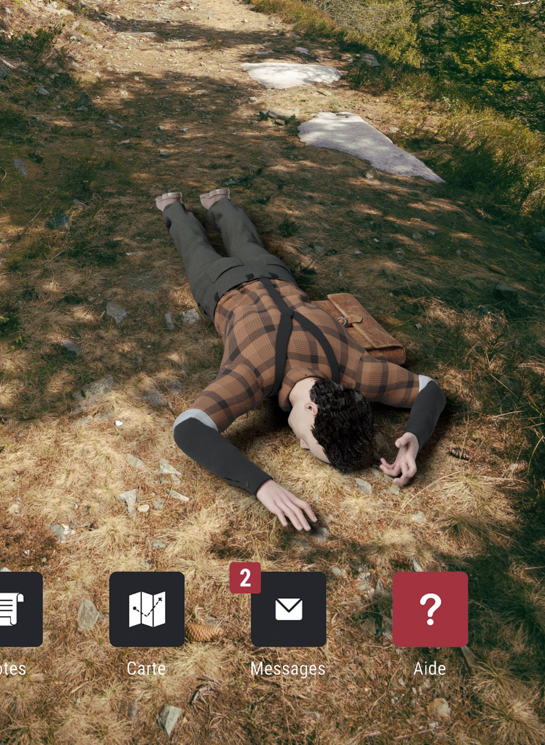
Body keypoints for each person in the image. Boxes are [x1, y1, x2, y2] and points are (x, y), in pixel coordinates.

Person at [157, 187, 446, 532]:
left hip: (276, 275)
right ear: (312, 409)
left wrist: (413, 437)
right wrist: (262, 485)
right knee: (196, 249)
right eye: (308, 443)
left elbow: (430, 389)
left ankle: (216, 202)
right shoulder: (254, 374)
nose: (299, 444)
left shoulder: (358, 371)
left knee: (245, 240)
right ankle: (174, 208)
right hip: (219, 287)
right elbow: (187, 428)